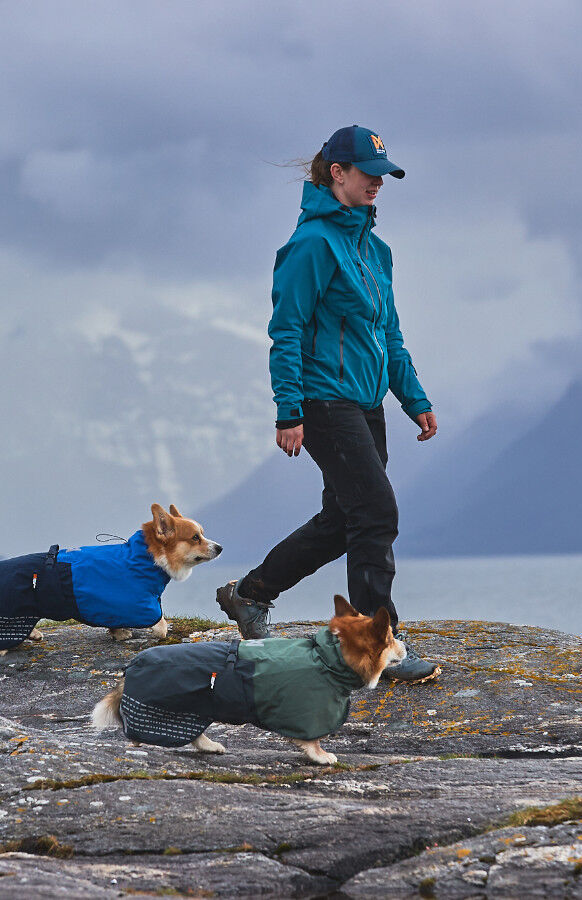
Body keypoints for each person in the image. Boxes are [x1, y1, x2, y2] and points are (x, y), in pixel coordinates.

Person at [216, 125, 439, 683]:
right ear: (337, 173)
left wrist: (413, 398)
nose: (378, 184)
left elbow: (389, 334)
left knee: (344, 519)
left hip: (365, 403)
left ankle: (250, 594)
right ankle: (375, 644)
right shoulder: (311, 245)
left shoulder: (374, 249)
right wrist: (288, 410)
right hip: (322, 402)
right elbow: (286, 330)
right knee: (376, 514)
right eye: (368, 174)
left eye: (384, 175)